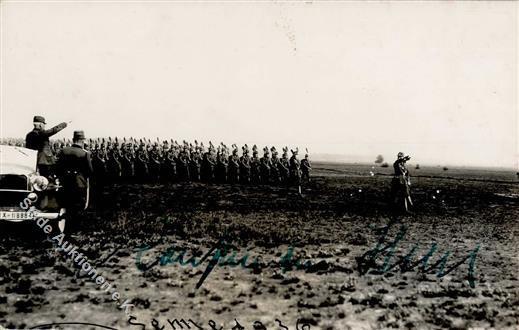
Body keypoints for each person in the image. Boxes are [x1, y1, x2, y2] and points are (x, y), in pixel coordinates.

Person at [56, 131, 93, 233]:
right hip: (79, 183)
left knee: (67, 205)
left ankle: (65, 229)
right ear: (82, 141)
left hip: (66, 183)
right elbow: (89, 171)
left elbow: (57, 167)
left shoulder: (64, 151)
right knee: (77, 208)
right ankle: (74, 230)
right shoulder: (85, 153)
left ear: (73, 140)